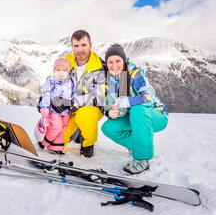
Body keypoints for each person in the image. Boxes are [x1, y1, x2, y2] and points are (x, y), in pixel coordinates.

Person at [101, 44, 169, 174]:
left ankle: (142, 159)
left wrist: (121, 102)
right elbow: (112, 104)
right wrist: (110, 112)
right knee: (108, 127)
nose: (114, 65)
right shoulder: (111, 80)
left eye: (117, 61)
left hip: (155, 115)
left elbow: (148, 98)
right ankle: (136, 145)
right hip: (133, 116)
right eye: (110, 62)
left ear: (124, 60)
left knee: (138, 110)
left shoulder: (135, 74)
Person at [61, 30, 107, 158]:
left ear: (90, 46)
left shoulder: (99, 66)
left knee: (85, 117)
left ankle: (87, 144)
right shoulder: (67, 61)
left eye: (83, 45)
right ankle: (75, 132)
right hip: (70, 108)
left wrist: (72, 102)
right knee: (55, 141)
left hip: (91, 107)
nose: (80, 49)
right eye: (76, 46)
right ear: (72, 47)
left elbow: (99, 97)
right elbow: (57, 83)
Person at [38, 58, 74, 155]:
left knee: (62, 130)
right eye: (58, 70)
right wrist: (44, 107)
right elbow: (46, 95)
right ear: (54, 71)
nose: (61, 73)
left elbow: (74, 96)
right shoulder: (51, 81)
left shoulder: (71, 82)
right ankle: (44, 142)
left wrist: (72, 104)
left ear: (68, 71)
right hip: (53, 111)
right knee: (56, 127)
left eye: (64, 70)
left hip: (66, 112)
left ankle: (55, 148)